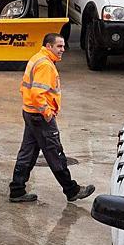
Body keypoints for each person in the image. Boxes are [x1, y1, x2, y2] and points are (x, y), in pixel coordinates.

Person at [9, 32, 95, 204]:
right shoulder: (46, 65)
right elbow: (37, 93)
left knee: (28, 152)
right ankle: (72, 190)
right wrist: (47, 114)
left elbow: (26, 88)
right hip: (40, 117)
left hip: (30, 113)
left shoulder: (38, 58)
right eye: (59, 46)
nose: (63, 49)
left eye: (63, 46)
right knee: (55, 153)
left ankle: (17, 190)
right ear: (49, 46)